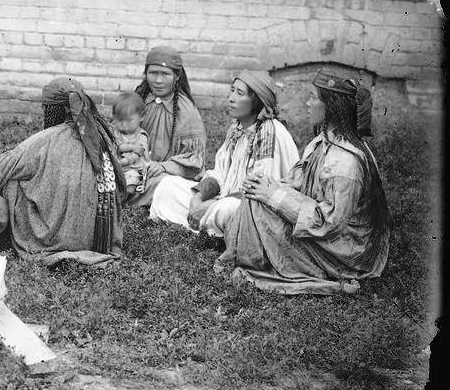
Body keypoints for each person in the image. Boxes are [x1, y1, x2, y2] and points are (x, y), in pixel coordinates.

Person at [216, 70, 393, 295]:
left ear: (332, 107)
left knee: (261, 203)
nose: (308, 104)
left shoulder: (345, 162)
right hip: (325, 232)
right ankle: (251, 256)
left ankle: (258, 261)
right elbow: (297, 181)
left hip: (346, 252)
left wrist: (274, 197)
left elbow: (329, 223)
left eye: (313, 98)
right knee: (256, 195)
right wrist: (270, 187)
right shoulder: (322, 142)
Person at [0, 77, 126, 267]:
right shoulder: (102, 135)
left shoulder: (46, 139)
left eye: (47, 109)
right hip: (96, 239)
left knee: (12, 180)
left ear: (62, 109)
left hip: (52, 238)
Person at [149, 70, 300, 237]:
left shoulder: (269, 132)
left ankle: (207, 233)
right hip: (225, 199)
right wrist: (198, 198)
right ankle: (202, 229)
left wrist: (210, 205)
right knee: (168, 185)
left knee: (225, 208)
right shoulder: (236, 127)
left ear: (258, 101)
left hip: (256, 210)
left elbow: (259, 192)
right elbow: (220, 174)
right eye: (232, 90)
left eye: (240, 93)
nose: (231, 98)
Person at [127, 46, 207, 207]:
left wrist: (163, 166)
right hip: (135, 167)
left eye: (165, 74)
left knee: (166, 185)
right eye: (153, 73)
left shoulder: (187, 112)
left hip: (166, 174)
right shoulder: (139, 99)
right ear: (146, 74)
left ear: (177, 76)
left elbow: (194, 162)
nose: (158, 80)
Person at [111, 91, 150, 194]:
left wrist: (123, 162)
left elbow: (136, 155)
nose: (124, 125)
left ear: (141, 116)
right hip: (116, 166)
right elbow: (114, 146)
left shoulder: (141, 136)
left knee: (132, 179)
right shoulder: (114, 132)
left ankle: (127, 195)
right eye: (120, 120)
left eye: (129, 120)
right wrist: (132, 147)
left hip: (133, 168)